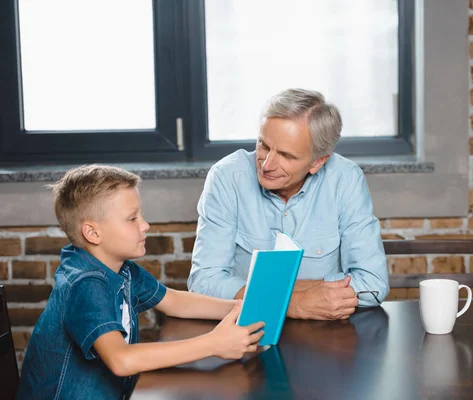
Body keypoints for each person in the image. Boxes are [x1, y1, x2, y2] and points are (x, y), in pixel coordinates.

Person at [17, 165, 264, 400]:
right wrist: (213, 344)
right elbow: (121, 359)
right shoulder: (86, 284)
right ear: (92, 233)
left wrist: (239, 306)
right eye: (132, 218)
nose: (145, 225)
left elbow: (174, 301)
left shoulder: (121, 269)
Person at [188, 88, 389, 320]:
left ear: (318, 161)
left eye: (286, 155)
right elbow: (203, 282)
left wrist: (259, 293)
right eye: (263, 145)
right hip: (242, 331)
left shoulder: (345, 179)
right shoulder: (226, 176)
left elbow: (373, 283)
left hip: (327, 336)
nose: (267, 165)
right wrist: (294, 303)